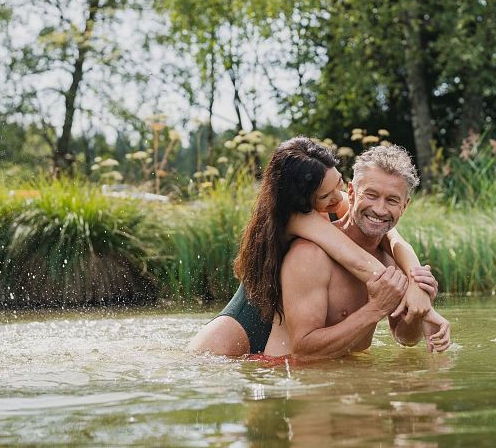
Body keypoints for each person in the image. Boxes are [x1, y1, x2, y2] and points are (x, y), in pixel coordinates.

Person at [188, 137, 442, 356]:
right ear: (306, 200)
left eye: (339, 183)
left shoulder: (358, 214)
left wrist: (417, 290)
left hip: (307, 353)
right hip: (231, 341)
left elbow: (396, 241)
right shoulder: (299, 226)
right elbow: (357, 261)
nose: (339, 196)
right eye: (326, 194)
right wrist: (393, 296)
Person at [262, 144, 451, 359]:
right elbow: (303, 351)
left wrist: (419, 310)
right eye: (371, 195)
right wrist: (375, 309)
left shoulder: (392, 260)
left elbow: (405, 339)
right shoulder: (310, 254)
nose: (379, 209)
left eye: (392, 200)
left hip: (352, 381)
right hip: (292, 378)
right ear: (351, 193)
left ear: (404, 206)